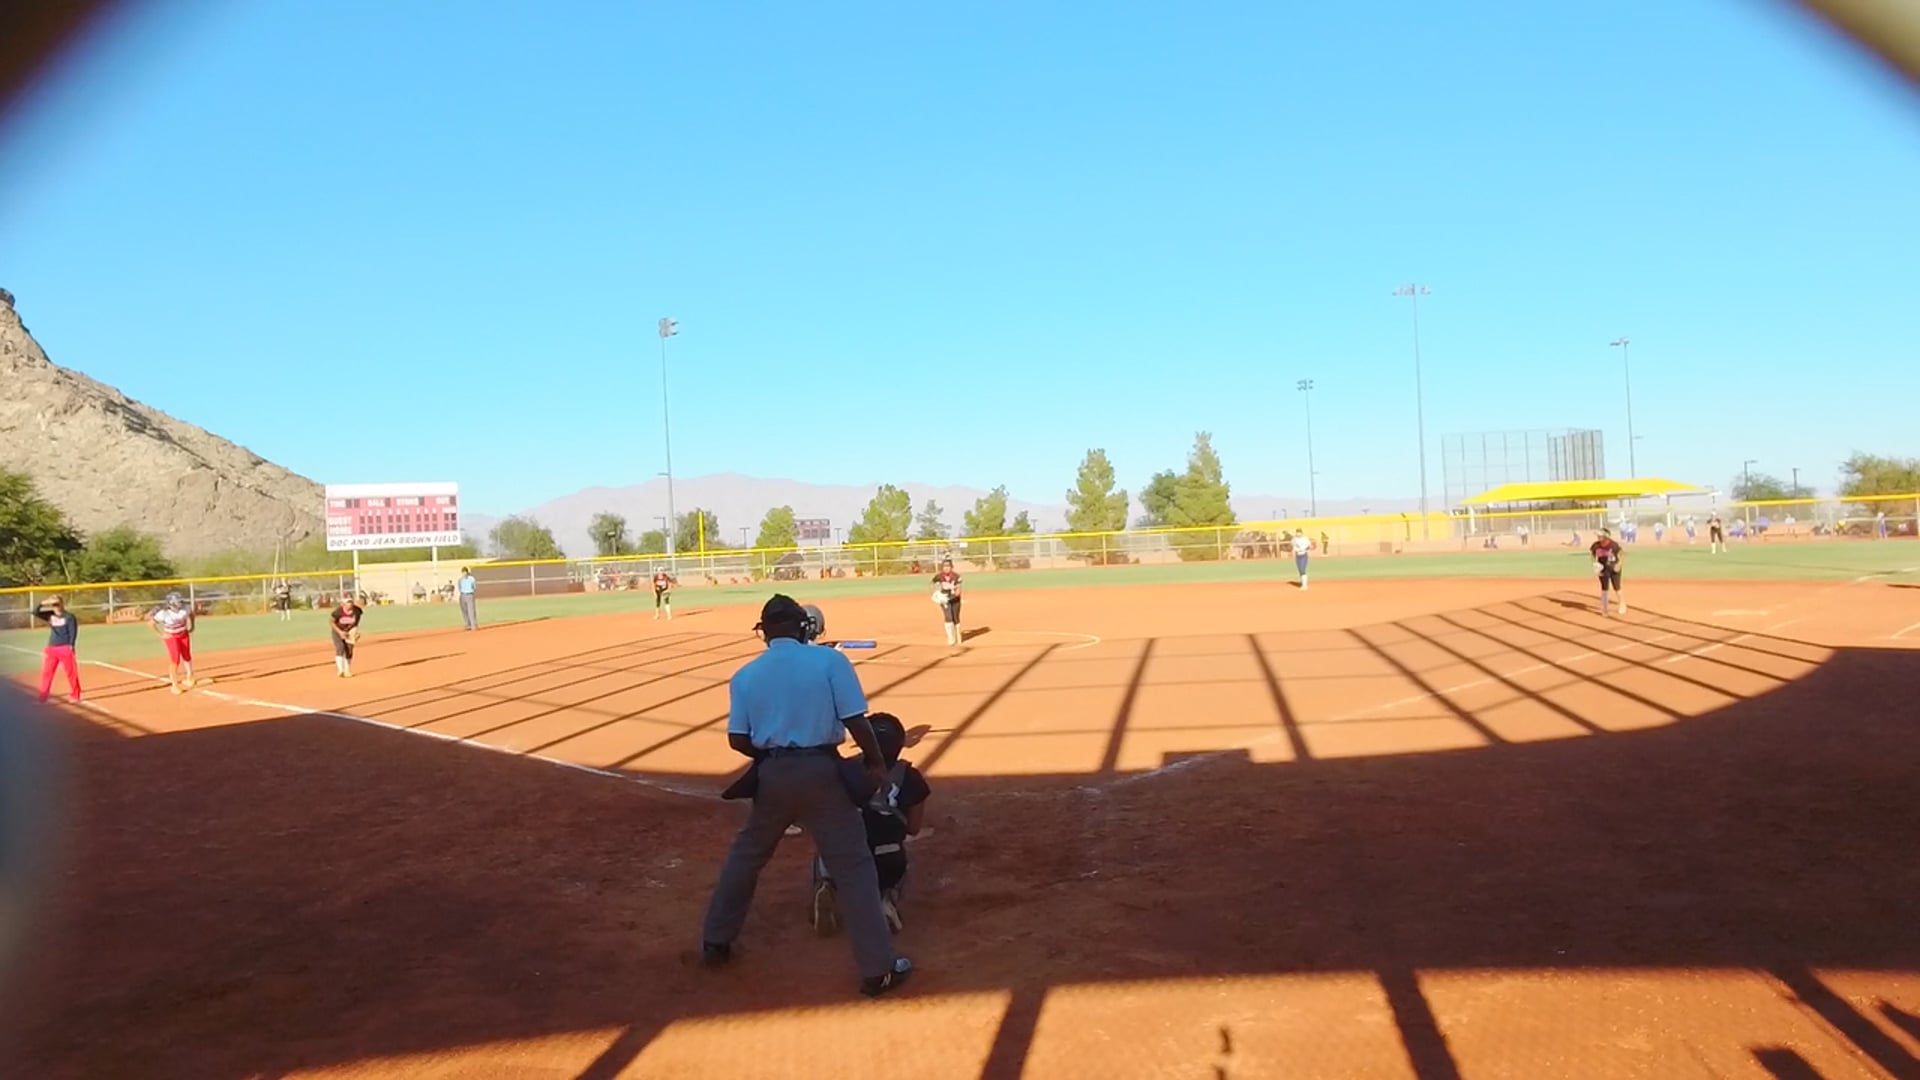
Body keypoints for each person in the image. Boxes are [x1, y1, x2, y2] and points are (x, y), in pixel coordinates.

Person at [700, 594, 914, 999]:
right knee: (853, 867)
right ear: (804, 628)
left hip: (772, 775)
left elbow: (737, 739)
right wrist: (874, 761)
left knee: (746, 857)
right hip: (823, 772)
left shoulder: (745, 675)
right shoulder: (830, 661)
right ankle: (878, 970)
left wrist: (772, 756)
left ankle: (715, 941)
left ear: (764, 632)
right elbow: (856, 721)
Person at [810, 713, 930, 937]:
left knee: (828, 841)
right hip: (887, 858)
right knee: (894, 853)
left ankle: (827, 885)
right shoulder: (911, 777)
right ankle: (886, 898)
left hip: (846, 856)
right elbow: (913, 828)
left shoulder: (846, 769)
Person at [30, 594, 81, 705]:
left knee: (71, 673)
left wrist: (71, 645)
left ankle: (75, 695)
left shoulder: (69, 617)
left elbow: (73, 631)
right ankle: (42, 698)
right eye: (53, 605)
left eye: (57, 604)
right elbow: (34, 612)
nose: (56, 607)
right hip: (52, 648)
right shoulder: (50, 615)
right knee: (47, 673)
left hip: (65, 647)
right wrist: (43, 603)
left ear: (62, 604)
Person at [149, 592, 196, 694]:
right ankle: (174, 685)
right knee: (175, 660)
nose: (180, 603)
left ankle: (190, 677)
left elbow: (191, 614)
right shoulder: (164, 613)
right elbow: (151, 623)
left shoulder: (185, 608)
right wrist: (161, 635)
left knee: (187, 655)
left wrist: (192, 626)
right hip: (171, 637)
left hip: (183, 634)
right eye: (178, 602)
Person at [1590, 527, 1626, 617]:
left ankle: (1622, 604)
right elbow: (1593, 556)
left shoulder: (1613, 545)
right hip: (1602, 568)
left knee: (1617, 587)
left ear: (1606, 536)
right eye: (1598, 536)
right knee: (1604, 588)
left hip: (1614, 568)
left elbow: (1621, 554)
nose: (1598, 537)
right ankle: (1605, 608)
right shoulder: (1596, 546)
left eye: (1600, 536)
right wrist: (1595, 565)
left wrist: (1619, 564)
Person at [330, 593, 366, 678]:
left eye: (351, 602)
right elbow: (331, 622)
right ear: (343, 603)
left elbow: (356, 622)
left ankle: (347, 670)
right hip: (337, 631)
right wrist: (340, 632)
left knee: (349, 650)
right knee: (340, 647)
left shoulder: (357, 611)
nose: (350, 604)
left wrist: (355, 631)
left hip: (350, 630)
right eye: (347, 602)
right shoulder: (338, 612)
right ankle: (340, 670)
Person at [931, 559, 962, 646]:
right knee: (948, 617)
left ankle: (958, 635)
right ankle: (951, 638)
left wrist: (954, 591)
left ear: (951, 567)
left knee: (956, 618)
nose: (946, 568)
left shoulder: (956, 576)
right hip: (944, 599)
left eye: (948, 566)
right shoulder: (939, 576)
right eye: (944, 566)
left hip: (955, 599)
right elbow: (933, 584)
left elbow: (958, 590)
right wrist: (936, 593)